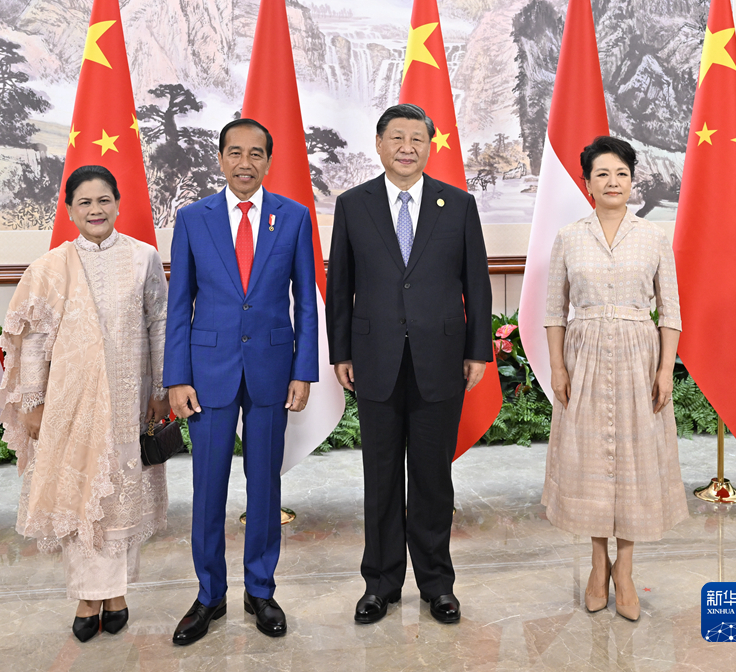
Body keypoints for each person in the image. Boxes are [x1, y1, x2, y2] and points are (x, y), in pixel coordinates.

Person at [326, 103, 494, 625]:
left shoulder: (458, 205)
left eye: (416, 138)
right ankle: (380, 584)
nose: (406, 147)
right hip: (374, 359)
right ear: (379, 145)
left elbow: (477, 283)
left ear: (429, 146)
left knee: (431, 478)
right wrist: (341, 352)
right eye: (396, 137)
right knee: (379, 478)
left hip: (439, 360)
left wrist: (478, 350)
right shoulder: (353, 205)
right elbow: (340, 287)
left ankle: (437, 584)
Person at [0, 165, 170, 642]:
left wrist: (160, 390)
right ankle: (87, 597)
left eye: (104, 200)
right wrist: (33, 402)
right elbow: (34, 341)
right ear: (70, 210)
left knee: (120, 496)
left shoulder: (143, 257)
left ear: (118, 203)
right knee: (79, 496)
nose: (96, 210)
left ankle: (116, 594)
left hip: (130, 397)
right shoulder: (50, 267)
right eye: (85, 203)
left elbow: (159, 324)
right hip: (70, 405)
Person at [164, 118, 318, 644]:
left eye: (256, 153)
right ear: (221, 158)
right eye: (235, 152)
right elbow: (179, 304)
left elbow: (306, 301)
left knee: (265, 484)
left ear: (268, 161)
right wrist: (177, 377)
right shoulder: (193, 219)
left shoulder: (293, 217)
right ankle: (209, 595)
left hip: (272, 370)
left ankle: (260, 590)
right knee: (208, 487)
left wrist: (303, 370)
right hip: (207, 373)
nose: (245, 162)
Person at [543, 136, 688, 622]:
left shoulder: (654, 236)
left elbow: (671, 311)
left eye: (621, 173)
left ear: (633, 180)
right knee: (588, 460)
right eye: (602, 174)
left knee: (633, 461)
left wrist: (665, 369)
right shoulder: (569, 237)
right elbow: (553, 311)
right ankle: (596, 563)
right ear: (587, 183)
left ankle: (624, 570)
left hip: (638, 357)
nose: (612, 182)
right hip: (583, 356)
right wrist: (557, 367)